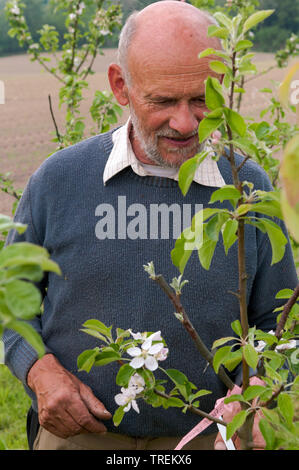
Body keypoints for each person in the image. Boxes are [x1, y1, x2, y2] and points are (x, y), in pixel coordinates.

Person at [3, 1, 298, 451]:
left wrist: (259, 391)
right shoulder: (59, 181)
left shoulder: (247, 190)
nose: (184, 123)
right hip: (81, 438)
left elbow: (279, 322)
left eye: (203, 99)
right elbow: (10, 305)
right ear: (121, 86)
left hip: (208, 439)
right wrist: (38, 369)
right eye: (162, 101)